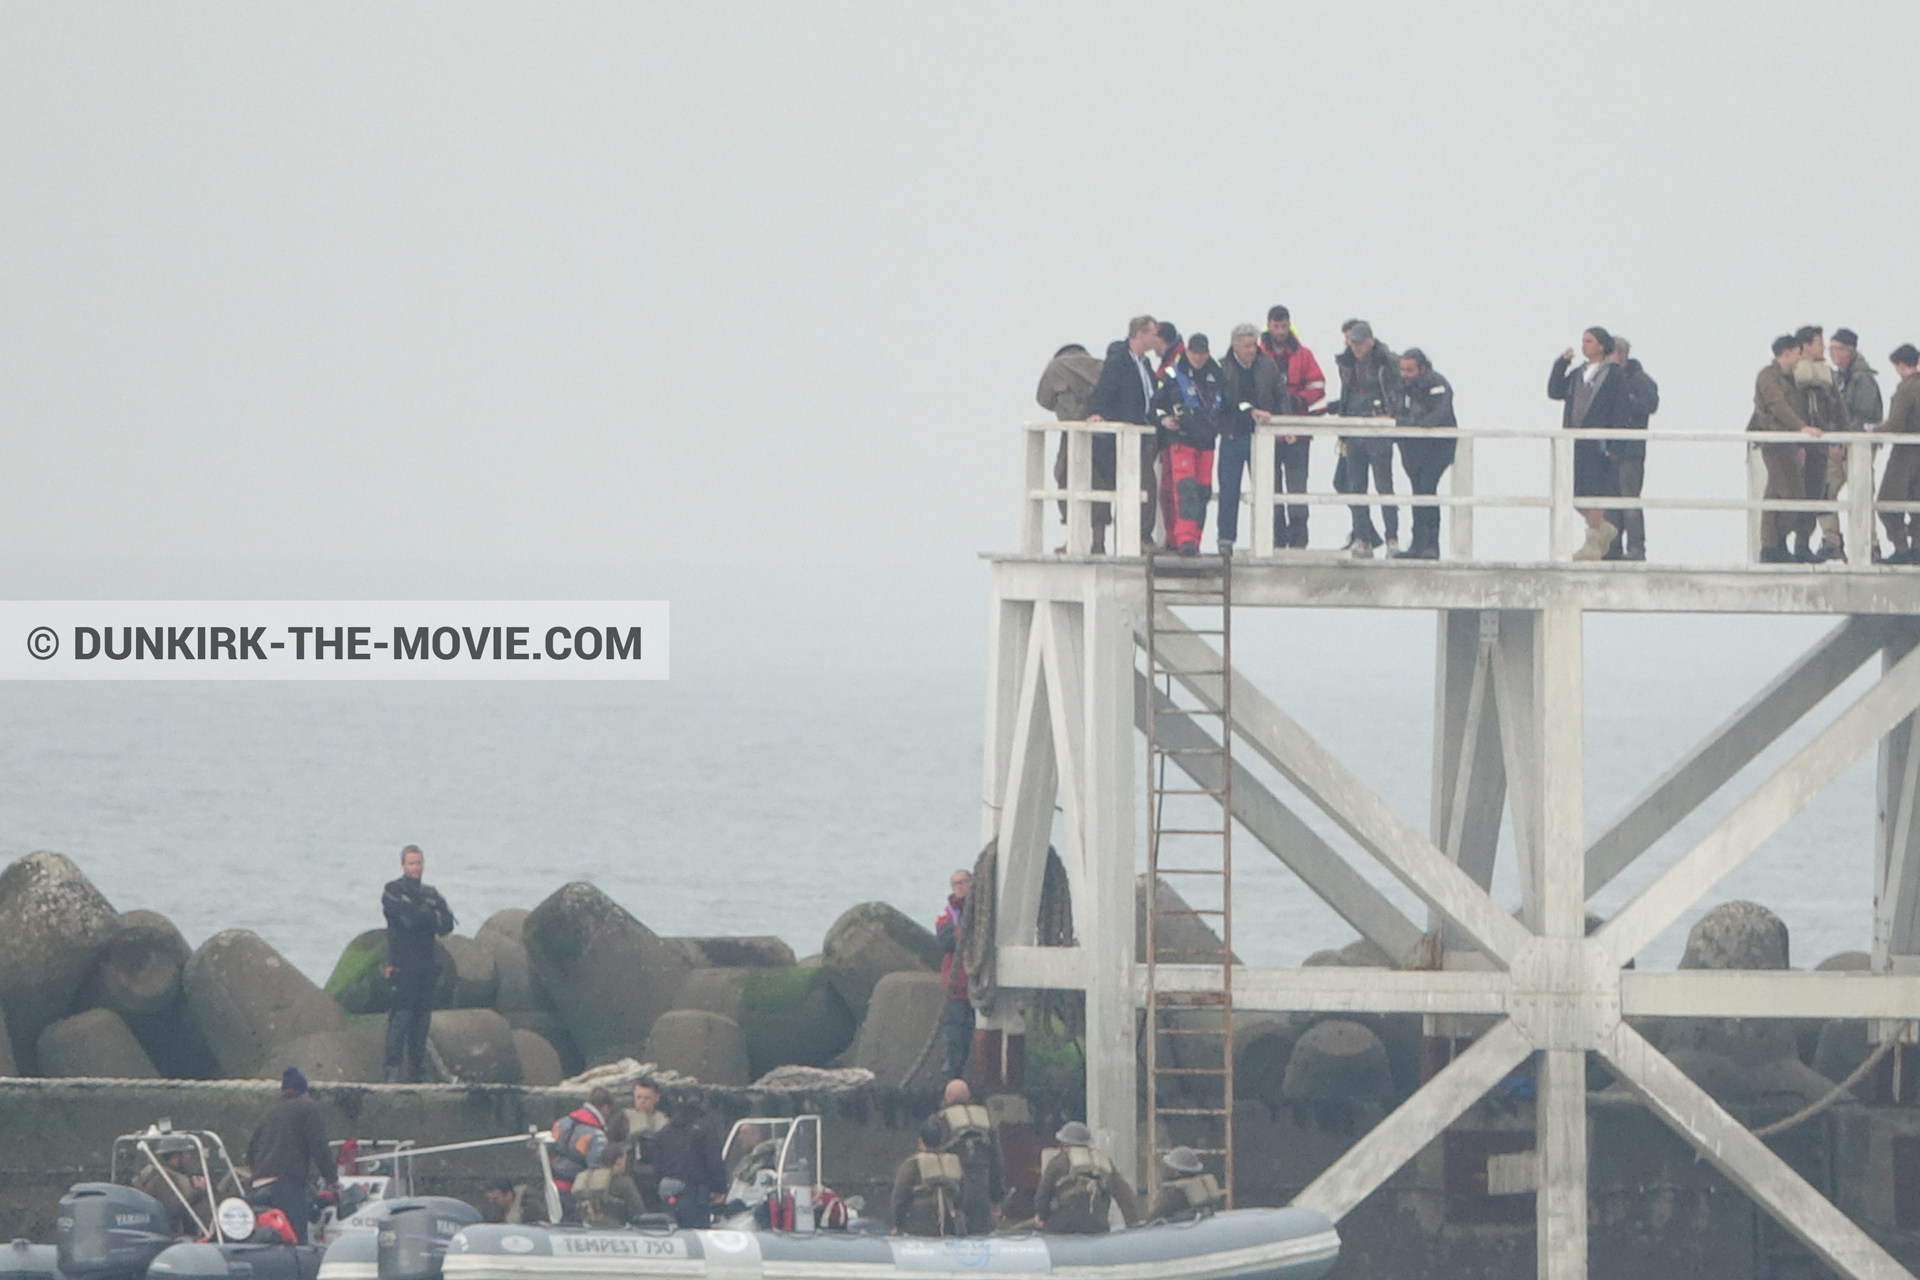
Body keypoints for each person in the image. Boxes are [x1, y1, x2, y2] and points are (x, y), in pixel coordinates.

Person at [1548, 327, 1634, 561]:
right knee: (1572, 491)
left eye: (1589, 341)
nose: (1584, 345)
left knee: (1594, 491)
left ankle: (1592, 543)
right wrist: (1561, 364)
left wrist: (1614, 445)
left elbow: (1621, 410)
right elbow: (1555, 391)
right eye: (1583, 341)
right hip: (1575, 442)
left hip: (1598, 444)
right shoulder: (1578, 373)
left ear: (1601, 345)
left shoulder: (1614, 374)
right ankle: (1602, 530)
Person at [1086, 316, 1162, 550]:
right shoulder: (1119, 361)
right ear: (1139, 334)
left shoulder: (1145, 364)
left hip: (1144, 435)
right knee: (1139, 484)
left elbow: (1151, 396)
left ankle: (1142, 536)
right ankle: (1137, 537)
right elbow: (1105, 390)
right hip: (1123, 437)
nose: (1155, 338)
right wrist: (1097, 413)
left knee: (1146, 486)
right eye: (1152, 333)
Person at [1749, 333, 1825, 563]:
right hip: (1774, 444)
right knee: (1791, 496)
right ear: (1787, 353)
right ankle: (1773, 544)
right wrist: (1801, 428)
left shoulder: (1792, 378)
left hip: (1790, 446)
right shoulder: (1767, 377)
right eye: (1797, 353)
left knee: (1777, 494)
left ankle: (1775, 546)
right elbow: (1778, 406)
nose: (1799, 358)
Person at [382, 844, 455, 1084]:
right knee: (400, 1020)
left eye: (419, 862)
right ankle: (392, 1071)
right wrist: (427, 915)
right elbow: (408, 919)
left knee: (422, 1022)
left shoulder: (431, 892)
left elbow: (446, 924)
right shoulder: (393, 890)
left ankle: (417, 1074)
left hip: (426, 966)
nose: (416, 867)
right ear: (403, 865)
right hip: (402, 965)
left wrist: (426, 915)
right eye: (411, 863)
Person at [1151, 333, 1226, 555]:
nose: (1198, 357)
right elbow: (1154, 406)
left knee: (1202, 492)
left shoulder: (1218, 374)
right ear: (1188, 352)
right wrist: (1164, 420)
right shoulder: (1173, 374)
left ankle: (1194, 540)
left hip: (1207, 442)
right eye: (1194, 353)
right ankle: (1183, 541)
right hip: (1181, 440)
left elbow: (1229, 403)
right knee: (1186, 489)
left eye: (1202, 353)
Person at [1260, 307, 1327, 548]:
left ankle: (1299, 538)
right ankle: (1276, 538)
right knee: (1270, 486)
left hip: (1297, 431)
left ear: (1289, 325)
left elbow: (1318, 385)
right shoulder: (1258, 354)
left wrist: (1298, 400)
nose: (1280, 331)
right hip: (1267, 434)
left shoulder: (1304, 355)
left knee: (1297, 486)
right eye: (1276, 326)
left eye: (1283, 326)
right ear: (1269, 325)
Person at [1332, 321, 1401, 557]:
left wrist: (1390, 412)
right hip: (1353, 431)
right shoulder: (1346, 363)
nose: (1357, 347)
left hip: (1379, 434)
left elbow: (1398, 391)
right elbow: (1346, 394)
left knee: (1384, 486)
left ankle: (1392, 538)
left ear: (1371, 340)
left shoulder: (1387, 362)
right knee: (1355, 486)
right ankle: (1362, 538)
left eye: (1361, 342)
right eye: (1354, 342)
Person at [245, 1067, 336, 1245]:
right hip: (286, 1187)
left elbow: (250, 1155)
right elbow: (319, 1148)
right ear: (304, 1092)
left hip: (258, 1188)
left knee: (267, 1242)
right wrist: (332, 1180)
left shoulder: (268, 1114)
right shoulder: (306, 1108)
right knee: (294, 1243)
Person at [1214, 324, 1284, 555]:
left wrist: (1282, 423)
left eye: (1254, 345)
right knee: (1229, 489)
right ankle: (1226, 539)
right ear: (1235, 346)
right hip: (1233, 435)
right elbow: (1224, 400)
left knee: (1266, 488)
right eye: (1246, 346)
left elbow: (1280, 395)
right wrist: (1249, 410)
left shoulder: (1268, 366)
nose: (1252, 350)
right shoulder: (1222, 368)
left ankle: (1270, 538)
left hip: (1261, 437)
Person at [1823, 327, 1886, 561]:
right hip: (1837, 447)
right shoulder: (1838, 378)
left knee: (1861, 494)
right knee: (1822, 490)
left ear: (1848, 351)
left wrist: (1846, 442)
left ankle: (1871, 545)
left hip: (1856, 449)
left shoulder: (1863, 379)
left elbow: (1865, 415)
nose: (1831, 354)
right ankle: (1832, 541)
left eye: (1835, 349)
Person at [1388, 348, 1457, 560]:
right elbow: (1395, 411)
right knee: (1418, 492)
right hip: (1413, 450)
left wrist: (1402, 422)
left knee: (1427, 490)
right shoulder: (1400, 387)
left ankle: (1430, 546)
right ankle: (1418, 545)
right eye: (1402, 369)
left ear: (1422, 368)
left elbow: (1433, 417)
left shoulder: (1437, 385)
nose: (1405, 374)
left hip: (1437, 448)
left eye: (1409, 370)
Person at [1790, 326, 1851, 559]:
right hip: (1799, 445)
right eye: (1818, 342)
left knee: (1815, 494)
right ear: (1805, 345)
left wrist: (1843, 437)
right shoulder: (1792, 373)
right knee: (1793, 494)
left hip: (1820, 445)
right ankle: (1781, 545)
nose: (1823, 347)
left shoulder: (1826, 374)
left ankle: (1803, 545)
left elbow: (1839, 407)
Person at [1038, 344, 1108, 542]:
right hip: (1101, 434)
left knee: (1065, 479)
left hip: (1071, 434)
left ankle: (1073, 540)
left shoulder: (1055, 368)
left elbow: (1043, 399)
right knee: (1099, 484)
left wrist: (1064, 407)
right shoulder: (1100, 366)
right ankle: (1098, 542)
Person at [1603, 337, 1660, 560]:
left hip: (1631, 451)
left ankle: (1636, 548)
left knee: (1629, 499)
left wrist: (1624, 401)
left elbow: (1650, 404)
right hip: (1610, 450)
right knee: (1611, 500)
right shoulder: (1608, 379)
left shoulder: (1640, 380)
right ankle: (1612, 547)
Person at [928, 1079, 1004, 1237]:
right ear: (969, 1096)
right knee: (982, 1235)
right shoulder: (985, 1119)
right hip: (982, 1187)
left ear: (946, 1097)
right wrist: (997, 1197)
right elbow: (997, 1161)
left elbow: (930, 1159)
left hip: (953, 1190)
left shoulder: (938, 1120)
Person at [1034, 1121, 1139, 1234]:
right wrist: (1132, 1226)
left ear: (1064, 1144)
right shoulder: (1104, 1163)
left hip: (1063, 1227)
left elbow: (1042, 1198)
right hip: (1098, 1227)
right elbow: (1126, 1198)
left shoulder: (1057, 1162)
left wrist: (1042, 1217)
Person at [651, 1090, 727, 1229]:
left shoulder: (663, 1133)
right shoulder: (705, 1131)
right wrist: (720, 1188)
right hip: (695, 1195)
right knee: (696, 1239)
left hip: (667, 1196)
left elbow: (656, 1167)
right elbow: (714, 1162)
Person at [1878, 345, 1920, 563]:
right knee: (1916, 503)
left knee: (1887, 503)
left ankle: (1902, 549)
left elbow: (1895, 424)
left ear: (1900, 365)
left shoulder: (1906, 390)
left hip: (1905, 455)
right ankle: (1917, 547)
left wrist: (1873, 431)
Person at [890, 1120, 967, 1237]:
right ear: (942, 1140)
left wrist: (898, 1225)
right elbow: (962, 1197)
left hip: (919, 1228)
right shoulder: (954, 1163)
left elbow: (898, 1199)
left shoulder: (911, 1165)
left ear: (920, 1141)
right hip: (950, 1228)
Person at [548, 1086, 614, 1216]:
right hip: (572, 1192)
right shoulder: (597, 1136)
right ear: (606, 1108)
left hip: (550, 1187)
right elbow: (595, 1170)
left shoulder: (560, 1123)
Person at [935, 868, 973, 1082]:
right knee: (954, 1041)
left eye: (964, 881)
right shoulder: (947, 914)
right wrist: (966, 932)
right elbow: (945, 940)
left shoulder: (983, 912)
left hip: (978, 988)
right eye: (956, 883)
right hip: (956, 989)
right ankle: (951, 1084)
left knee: (973, 1039)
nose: (960, 886)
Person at [132, 1137, 211, 1237]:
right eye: (185, 1154)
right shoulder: (160, 1179)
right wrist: (199, 1191)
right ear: (175, 1157)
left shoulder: (175, 1175)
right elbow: (173, 1210)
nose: (189, 1157)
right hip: (171, 1236)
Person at [573, 1142, 649, 1228]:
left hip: (587, 1229)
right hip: (616, 1230)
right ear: (619, 1160)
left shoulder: (588, 1179)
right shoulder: (624, 1182)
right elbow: (638, 1212)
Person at [623, 1077, 669, 1211]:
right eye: (638, 1097)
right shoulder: (625, 1118)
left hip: (657, 1175)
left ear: (656, 1098)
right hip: (632, 1175)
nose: (642, 1102)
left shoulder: (663, 1120)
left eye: (646, 1098)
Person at [1146, 1146, 1223, 1222]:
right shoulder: (1202, 1190)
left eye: (1169, 1168)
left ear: (1176, 1172)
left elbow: (1153, 1220)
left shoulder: (1172, 1191)